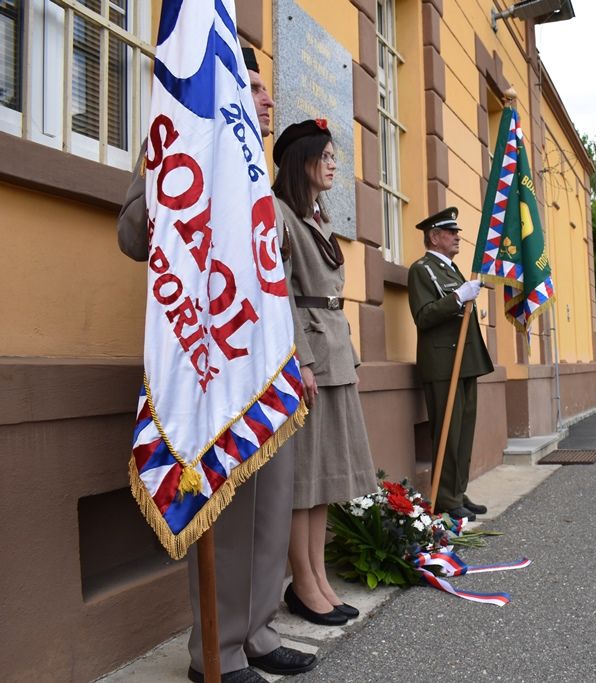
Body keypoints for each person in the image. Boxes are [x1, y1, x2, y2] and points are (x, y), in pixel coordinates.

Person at [117, 47, 316, 683]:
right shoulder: (175, 140)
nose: (265, 99)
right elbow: (130, 234)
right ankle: (219, 653)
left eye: (266, 89)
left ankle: (256, 632)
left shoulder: (262, 168)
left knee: (269, 508)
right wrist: (181, 184)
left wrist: (300, 360)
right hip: (211, 364)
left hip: (266, 362)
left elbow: (280, 280)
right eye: (253, 85)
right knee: (227, 520)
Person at [271, 119, 376, 625]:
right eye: (327, 155)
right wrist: (301, 360)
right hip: (310, 356)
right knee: (304, 479)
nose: (335, 163)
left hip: (334, 352)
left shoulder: (316, 216)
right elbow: (282, 292)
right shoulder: (279, 214)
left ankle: (317, 576)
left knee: (325, 476)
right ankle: (302, 585)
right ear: (303, 159)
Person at [407, 207, 495, 520]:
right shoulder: (422, 270)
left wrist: (460, 293)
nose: (458, 236)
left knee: (464, 431)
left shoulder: (451, 269)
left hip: (465, 360)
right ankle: (445, 498)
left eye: (457, 231)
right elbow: (424, 316)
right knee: (448, 430)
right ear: (434, 236)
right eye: (451, 232)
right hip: (443, 363)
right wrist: (458, 297)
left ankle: (457, 491)